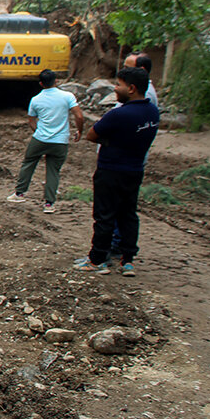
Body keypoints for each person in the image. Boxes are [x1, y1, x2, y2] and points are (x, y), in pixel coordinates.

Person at [74, 67, 159, 276]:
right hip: (135, 169)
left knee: (104, 215)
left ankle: (97, 259)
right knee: (128, 214)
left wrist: (110, 141)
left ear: (131, 88)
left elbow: (92, 135)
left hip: (111, 170)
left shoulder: (118, 114)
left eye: (118, 84)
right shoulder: (152, 112)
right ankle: (127, 259)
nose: (115, 87)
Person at [7, 69, 84, 213]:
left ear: (41, 83)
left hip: (40, 139)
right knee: (53, 171)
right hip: (60, 141)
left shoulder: (35, 99)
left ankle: (19, 193)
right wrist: (80, 130)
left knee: (28, 163)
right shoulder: (67, 96)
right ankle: (49, 204)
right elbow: (79, 116)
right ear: (56, 81)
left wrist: (38, 132)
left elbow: (31, 120)